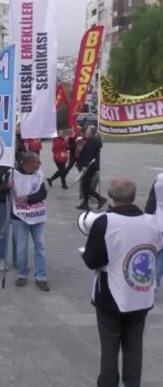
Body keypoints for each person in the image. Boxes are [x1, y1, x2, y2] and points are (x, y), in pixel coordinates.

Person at [82, 178, 162, 387]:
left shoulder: (105, 222)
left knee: (109, 346)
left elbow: (93, 261)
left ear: (110, 195)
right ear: (134, 196)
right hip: (141, 292)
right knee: (134, 346)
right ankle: (132, 383)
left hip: (111, 294)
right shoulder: (152, 222)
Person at [9, 152, 50, 291]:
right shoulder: (12, 174)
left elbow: (43, 193)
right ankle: (22, 274)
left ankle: (41, 276)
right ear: (27, 164)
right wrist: (6, 187)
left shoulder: (39, 174)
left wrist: (28, 198)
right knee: (21, 247)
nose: (40, 164)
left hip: (37, 215)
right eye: (36, 162)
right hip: (19, 216)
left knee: (40, 245)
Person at [0, 165, 17, 272]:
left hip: (18, 200)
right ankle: (1, 258)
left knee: (17, 229)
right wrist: (6, 186)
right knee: (3, 229)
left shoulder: (21, 155)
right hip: (3, 199)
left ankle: (17, 259)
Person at [77, 126, 108, 210]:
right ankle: (85, 203)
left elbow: (89, 155)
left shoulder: (92, 141)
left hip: (90, 166)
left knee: (85, 185)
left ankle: (100, 199)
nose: (86, 133)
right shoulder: (93, 140)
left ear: (91, 132)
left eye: (87, 131)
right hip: (92, 166)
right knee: (85, 185)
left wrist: (85, 166)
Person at [144, 174, 163, 288]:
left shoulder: (160, 178)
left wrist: (147, 217)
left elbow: (152, 201)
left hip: (158, 220)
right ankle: (155, 279)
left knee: (157, 251)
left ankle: (151, 279)